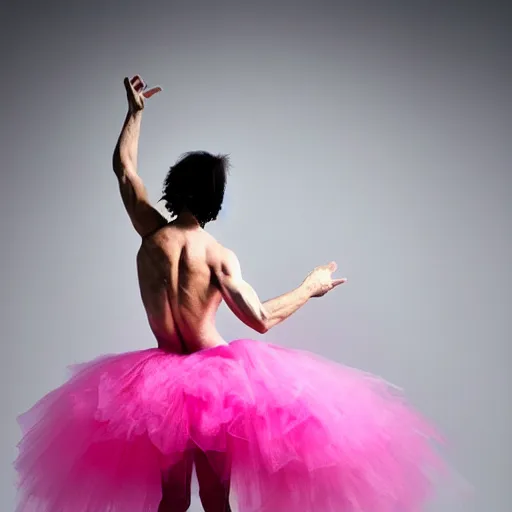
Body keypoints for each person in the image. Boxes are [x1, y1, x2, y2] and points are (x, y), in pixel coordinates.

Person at [14, 75, 444, 512]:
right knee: (217, 498)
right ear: (215, 198)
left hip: (156, 383)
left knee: (174, 498)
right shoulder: (219, 257)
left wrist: (135, 114)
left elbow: (124, 170)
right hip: (214, 385)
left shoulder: (151, 236)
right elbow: (259, 318)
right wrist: (309, 287)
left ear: (175, 186)